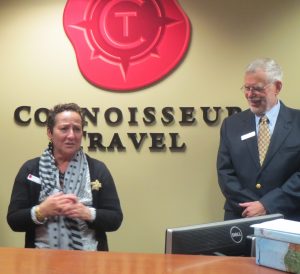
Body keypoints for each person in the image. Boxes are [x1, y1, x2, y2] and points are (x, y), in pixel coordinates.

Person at [7, 103, 123, 251]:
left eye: (77, 129)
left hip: (89, 261)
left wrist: (87, 213)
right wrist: (41, 211)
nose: (71, 135)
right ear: (50, 132)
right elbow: (14, 220)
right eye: (64, 129)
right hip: (41, 260)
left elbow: (115, 219)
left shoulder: (98, 170)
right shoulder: (30, 169)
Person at [217, 58, 300, 221]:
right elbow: (225, 173)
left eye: (257, 88)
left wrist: (267, 205)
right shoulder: (231, 125)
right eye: (246, 88)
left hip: (287, 217)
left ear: (277, 87)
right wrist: (252, 207)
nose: (249, 94)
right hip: (241, 217)